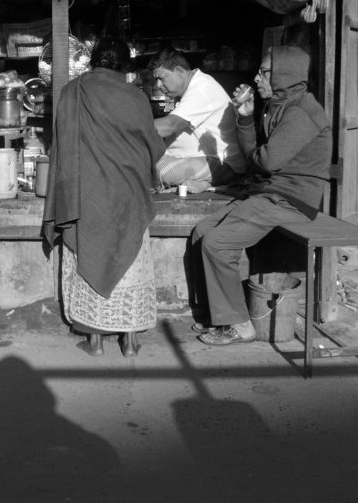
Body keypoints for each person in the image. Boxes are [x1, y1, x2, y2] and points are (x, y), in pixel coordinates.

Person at [192, 44, 332, 346]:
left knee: (216, 244)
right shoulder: (278, 106)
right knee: (202, 230)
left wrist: (258, 156)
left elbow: (266, 160)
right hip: (271, 194)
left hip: (291, 199)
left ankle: (238, 325)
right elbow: (258, 157)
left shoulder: (302, 112)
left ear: (286, 74)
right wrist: (245, 118)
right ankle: (216, 314)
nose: (257, 78)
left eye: (265, 72)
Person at [42, 37, 165, 357]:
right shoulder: (136, 97)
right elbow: (154, 147)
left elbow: (61, 148)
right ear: (124, 66)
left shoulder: (72, 92)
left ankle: (95, 340)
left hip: (85, 195)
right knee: (132, 260)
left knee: (87, 254)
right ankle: (131, 341)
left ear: (92, 61)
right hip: (128, 194)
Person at [149, 49, 246, 192]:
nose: (158, 85)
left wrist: (126, 128)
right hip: (189, 158)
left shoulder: (202, 90)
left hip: (222, 164)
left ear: (179, 71)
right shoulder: (192, 87)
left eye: (162, 79)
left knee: (161, 172)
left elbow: (169, 126)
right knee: (145, 164)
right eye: (155, 80)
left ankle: (212, 182)